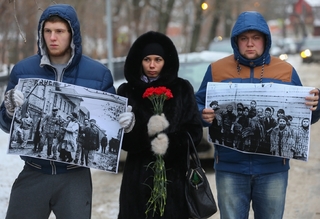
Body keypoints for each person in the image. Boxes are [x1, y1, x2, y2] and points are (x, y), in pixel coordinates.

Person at [195, 11, 320, 219]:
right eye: (244, 38)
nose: (250, 44)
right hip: (230, 167)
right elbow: (199, 102)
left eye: (255, 38)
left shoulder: (286, 71)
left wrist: (315, 105)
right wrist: (202, 114)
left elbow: (307, 116)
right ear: (236, 41)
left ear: (265, 40)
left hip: (272, 169)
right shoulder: (217, 70)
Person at [0, 4, 120, 219]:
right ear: (41, 33)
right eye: (48, 31)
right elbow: (7, 125)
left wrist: (124, 125)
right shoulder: (23, 71)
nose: (53, 37)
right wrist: (9, 110)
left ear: (72, 34)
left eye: (60, 31)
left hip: (75, 178)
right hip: (33, 171)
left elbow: (111, 128)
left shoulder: (98, 74)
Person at [116, 31, 203, 219]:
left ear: (166, 61)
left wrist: (168, 142)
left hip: (174, 183)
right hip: (137, 182)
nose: (152, 65)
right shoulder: (127, 91)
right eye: (147, 59)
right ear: (140, 60)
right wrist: (133, 129)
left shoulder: (181, 89)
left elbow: (195, 132)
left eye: (158, 59)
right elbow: (121, 142)